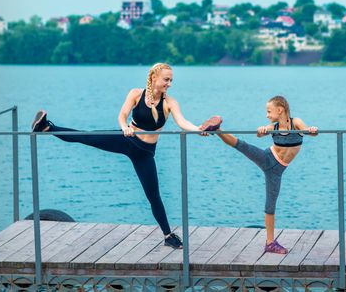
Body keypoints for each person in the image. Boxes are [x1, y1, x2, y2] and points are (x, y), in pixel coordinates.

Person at [31, 63, 221, 249]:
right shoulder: (136, 94)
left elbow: (182, 122)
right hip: (126, 140)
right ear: (154, 77)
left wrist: (198, 130)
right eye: (166, 79)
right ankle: (47, 127)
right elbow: (122, 115)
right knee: (86, 136)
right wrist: (124, 128)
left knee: (154, 196)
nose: (169, 83)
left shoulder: (170, 103)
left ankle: (167, 236)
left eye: (171, 80)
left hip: (145, 154)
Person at [215, 96, 318, 254]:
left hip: (276, 171)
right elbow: (261, 133)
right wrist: (262, 130)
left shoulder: (295, 122)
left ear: (280, 110)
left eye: (269, 111)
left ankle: (269, 243)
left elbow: (309, 132)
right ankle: (217, 130)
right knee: (241, 145)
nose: (267, 114)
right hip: (267, 158)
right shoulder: (273, 127)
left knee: (270, 205)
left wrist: (312, 130)